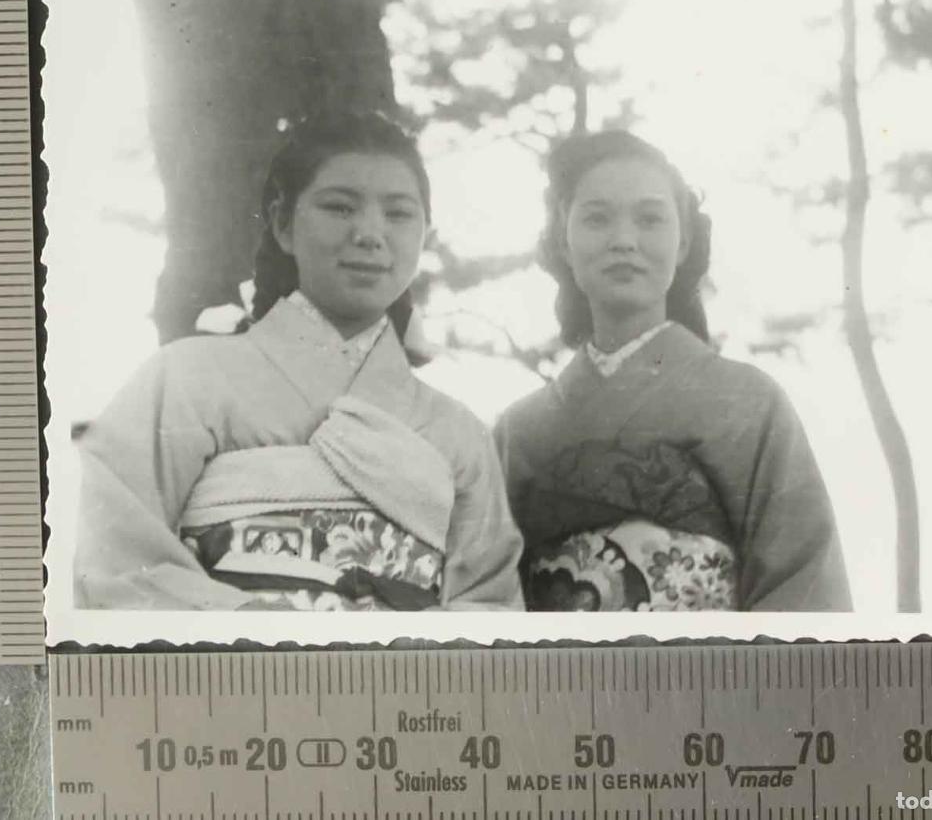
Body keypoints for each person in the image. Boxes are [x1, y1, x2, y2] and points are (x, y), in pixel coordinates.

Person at [74, 112, 524, 611]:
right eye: (339, 207)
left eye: (399, 214)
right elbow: (113, 555)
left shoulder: (458, 432)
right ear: (283, 224)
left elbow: (490, 604)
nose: (371, 234)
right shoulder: (183, 380)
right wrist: (252, 625)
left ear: (425, 235)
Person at [495, 131, 850, 612]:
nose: (624, 241)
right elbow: (491, 598)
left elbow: (802, 582)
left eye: (650, 219)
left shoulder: (749, 401)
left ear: (683, 242)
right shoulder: (519, 432)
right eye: (597, 218)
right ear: (564, 237)